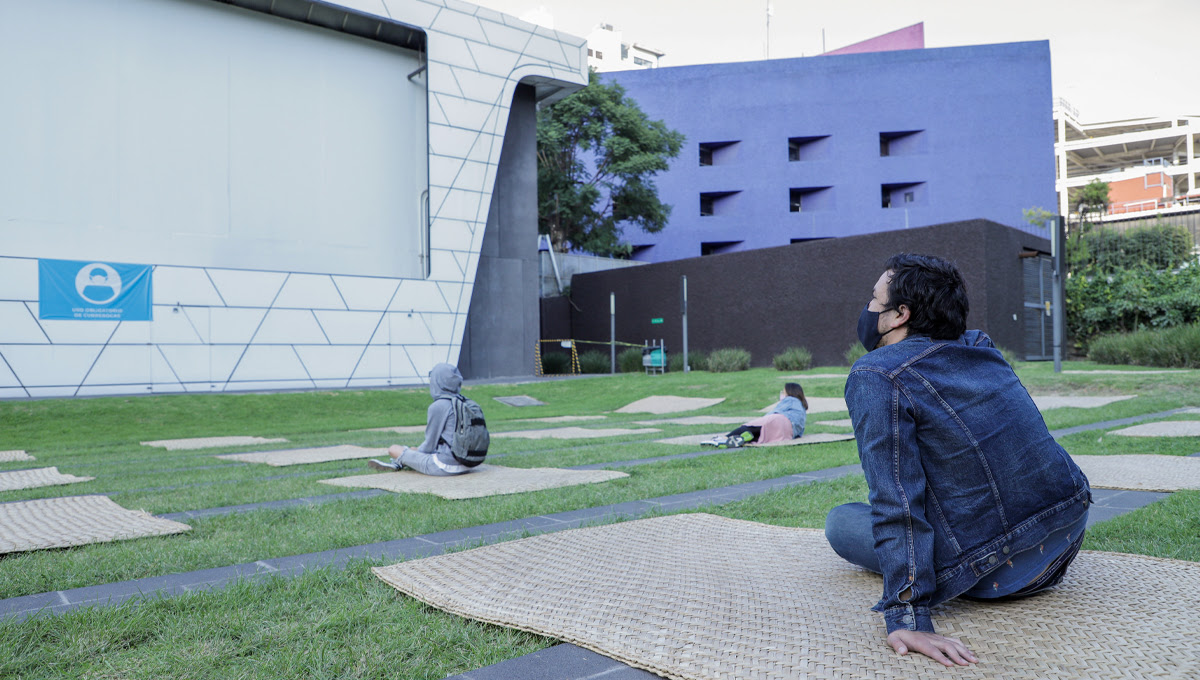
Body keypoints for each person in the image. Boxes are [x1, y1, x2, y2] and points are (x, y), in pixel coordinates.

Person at [825, 253, 1090, 667]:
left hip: (1007, 570)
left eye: (874, 299)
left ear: (900, 314)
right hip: (1068, 528)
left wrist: (906, 616)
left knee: (841, 521)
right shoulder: (979, 346)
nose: (868, 308)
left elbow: (896, 497)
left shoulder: (876, 374)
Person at [367, 363, 472, 476]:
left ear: (437, 381)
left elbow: (429, 445)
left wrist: (410, 453)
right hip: (467, 464)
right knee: (412, 450)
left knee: (394, 449)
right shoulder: (465, 403)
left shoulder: (439, 406)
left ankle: (399, 462)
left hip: (445, 466)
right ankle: (400, 462)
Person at [702, 382, 808, 448]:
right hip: (788, 431)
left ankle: (724, 438)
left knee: (753, 426)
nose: (782, 394)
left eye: (783, 392)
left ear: (790, 392)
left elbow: (775, 412)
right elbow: (800, 430)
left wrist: (764, 418)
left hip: (779, 419)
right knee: (763, 434)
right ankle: (743, 439)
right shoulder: (802, 408)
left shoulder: (790, 400)